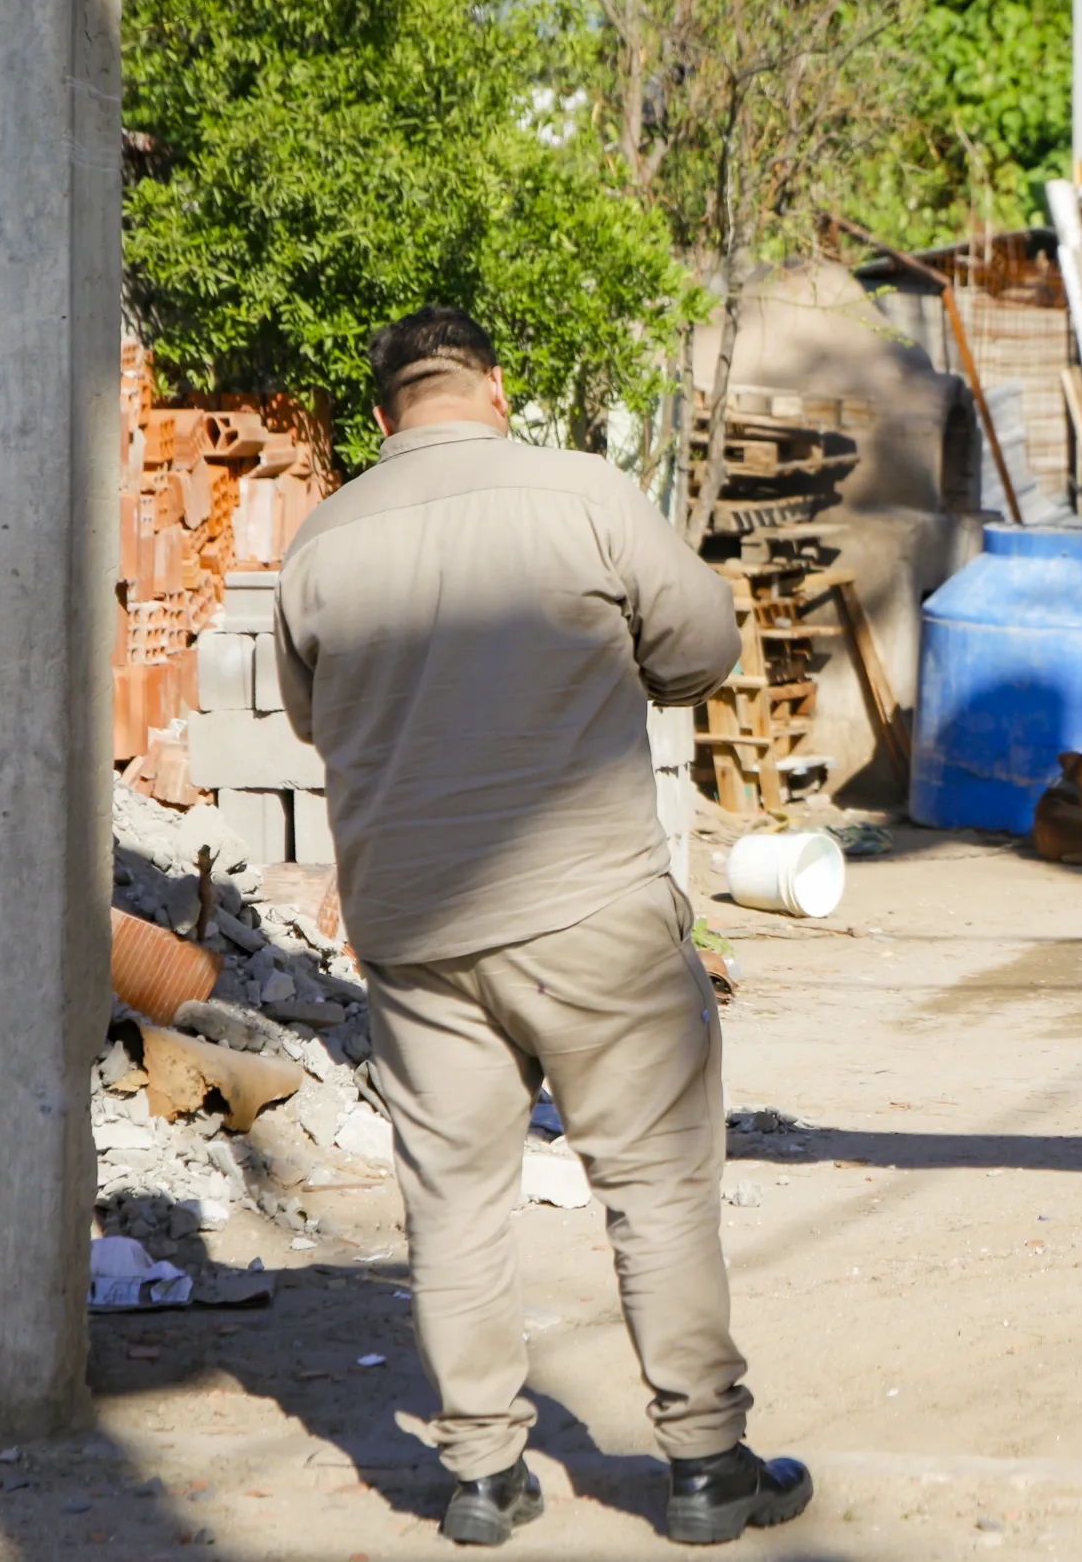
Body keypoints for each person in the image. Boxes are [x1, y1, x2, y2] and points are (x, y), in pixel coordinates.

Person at [277, 307, 814, 1549]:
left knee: (454, 1200)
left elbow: (314, 718)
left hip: (411, 929)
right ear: (497, 389)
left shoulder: (322, 538)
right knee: (655, 1186)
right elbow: (699, 649)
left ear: (381, 415)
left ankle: (478, 1476)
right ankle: (703, 1467)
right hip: (589, 913)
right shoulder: (583, 494)